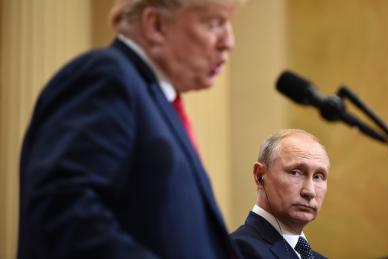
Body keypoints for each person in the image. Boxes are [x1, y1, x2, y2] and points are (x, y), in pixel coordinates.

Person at [17, 0, 238, 258]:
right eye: (214, 24)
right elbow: (63, 211)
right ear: (156, 25)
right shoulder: (105, 77)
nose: (229, 42)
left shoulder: (156, 100)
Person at [231, 129, 330, 259]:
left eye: (318, 176)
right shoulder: (237, 250)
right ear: (259, 175)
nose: (309, 191)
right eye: (295, 172)